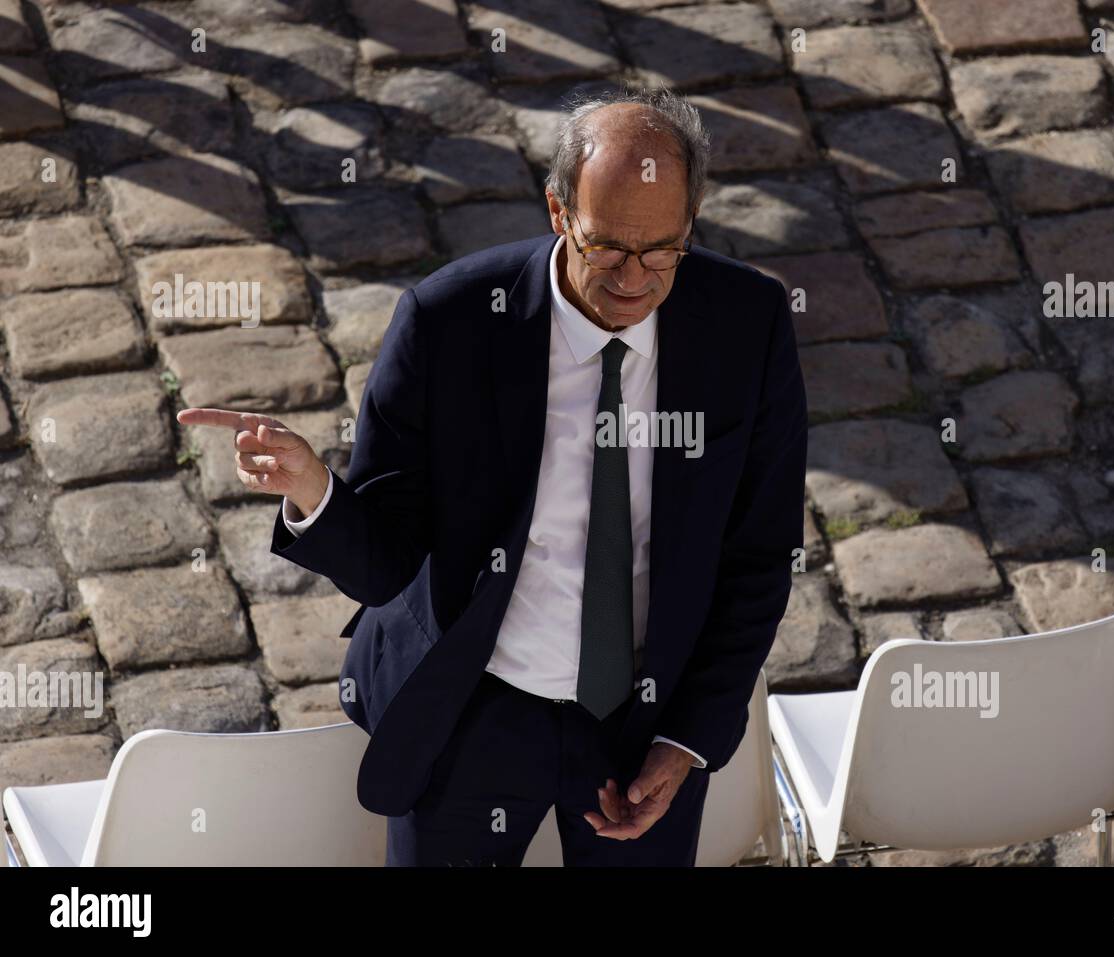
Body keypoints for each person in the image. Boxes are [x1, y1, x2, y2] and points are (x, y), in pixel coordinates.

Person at [177, 87, 808, 866]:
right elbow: (386, 562)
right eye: (606, 247)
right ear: (557, 210)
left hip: (645, 721)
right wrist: (316, 492)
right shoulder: (449, 322)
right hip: (471, 708)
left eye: (663, 251)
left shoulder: (748, 324)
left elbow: (759, 556)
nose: (634, 279)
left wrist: (684, 740)